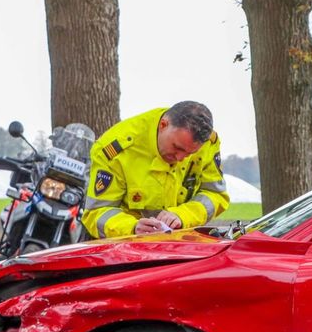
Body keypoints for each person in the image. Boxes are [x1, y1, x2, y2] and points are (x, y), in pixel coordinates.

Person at [82, 101, 229, 238]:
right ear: (163, 125)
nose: (180, 158)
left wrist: (182, 215)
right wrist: (132, 228)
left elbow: (216, 195)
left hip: (181, 244)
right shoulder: (116, 149)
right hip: (125, 249)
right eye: (177, 148)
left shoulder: (208, 143)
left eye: (190, 154)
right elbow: (96, 212)